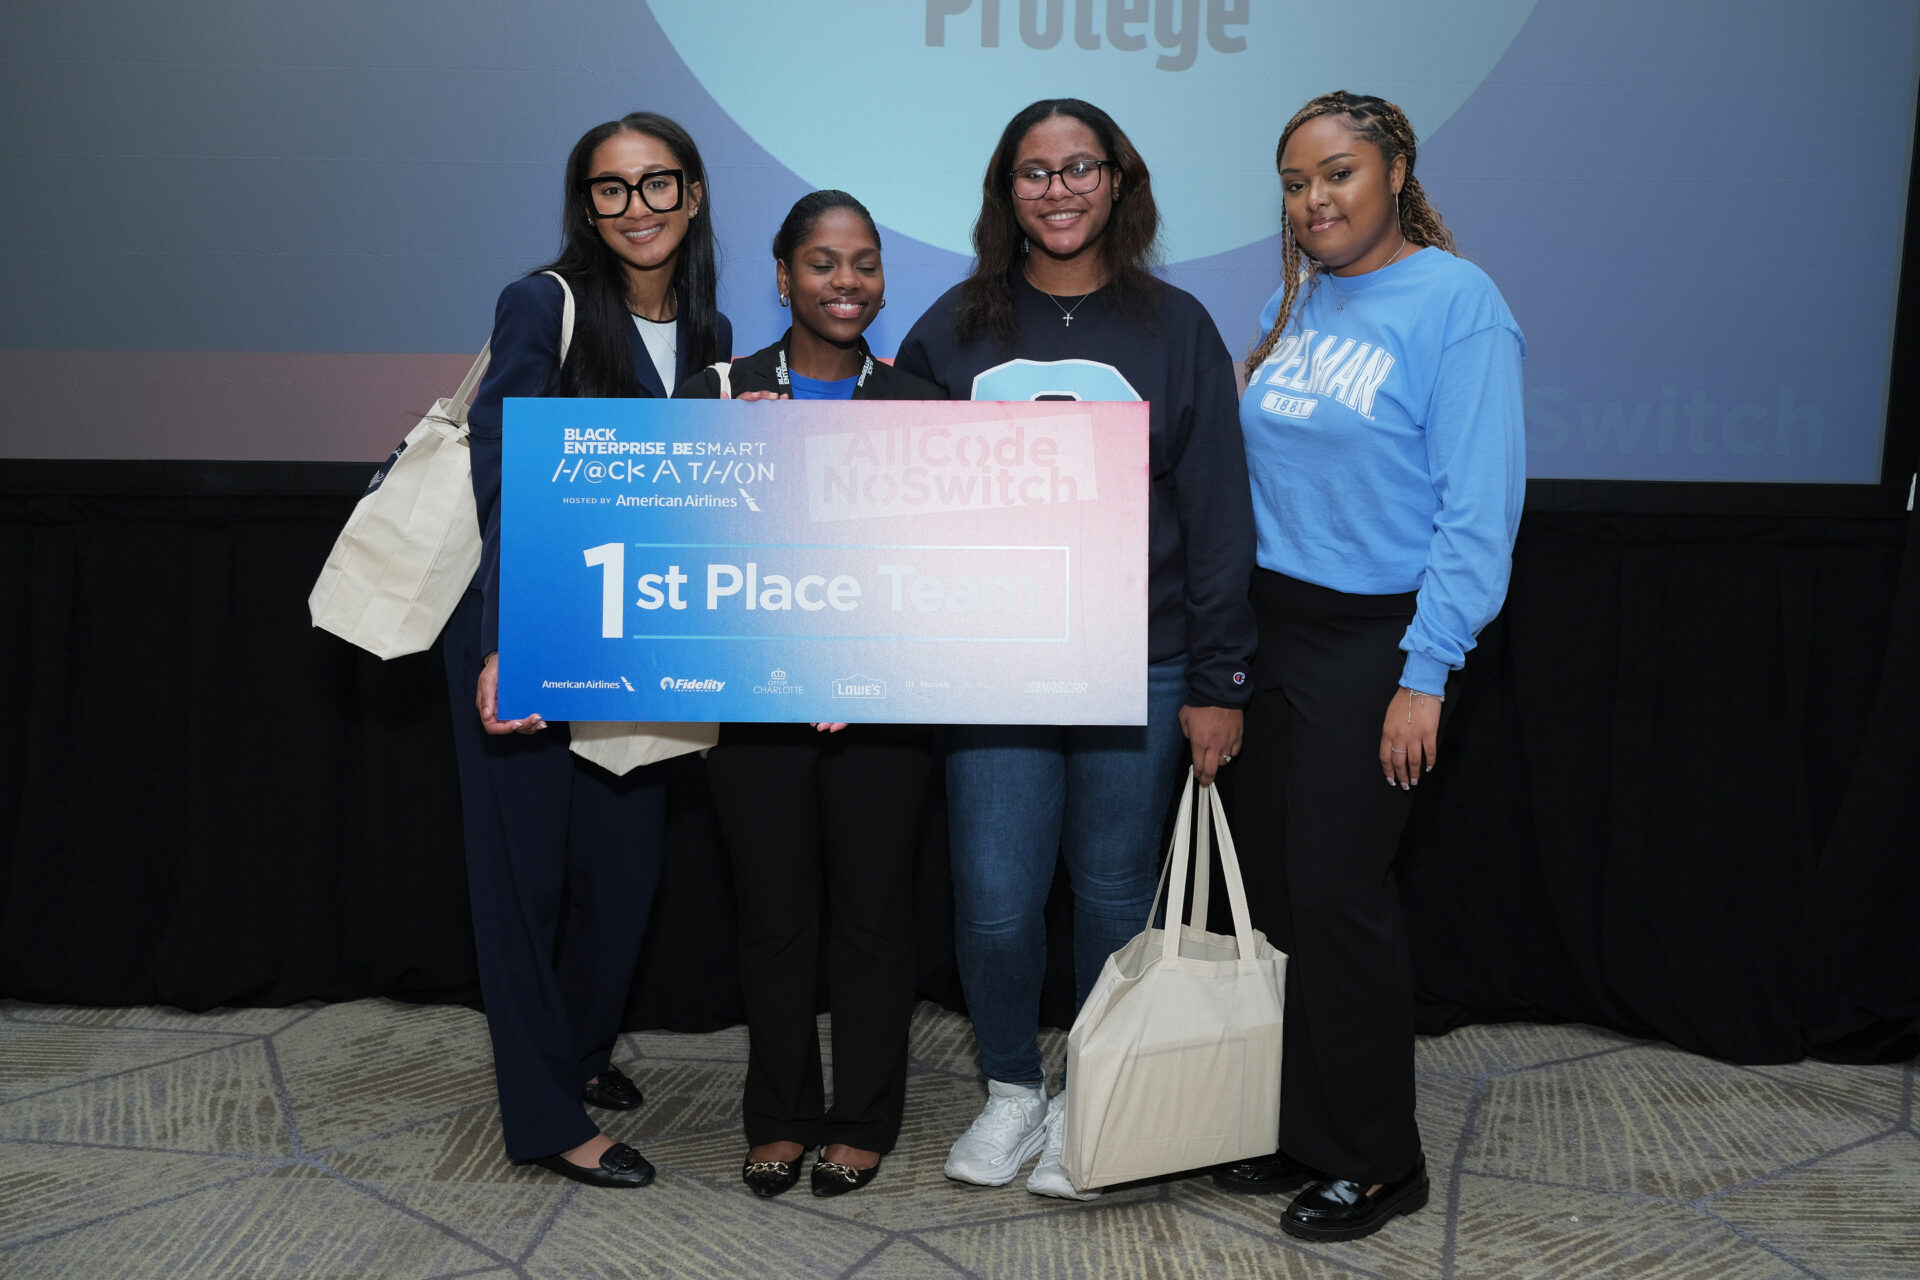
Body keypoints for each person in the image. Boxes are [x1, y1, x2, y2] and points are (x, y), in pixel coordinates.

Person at [894, 99, 1256, 1201]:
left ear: (1119, 181)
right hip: (993, 663)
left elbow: (1218, 514)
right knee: (996, 897)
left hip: (1141, 660)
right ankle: (1012, 1087)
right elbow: (888, 495)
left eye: (1080, 168)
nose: (1058, 191)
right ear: (1007, 193)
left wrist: (1219, 679)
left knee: (1110, 894)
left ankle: (1093, 1094)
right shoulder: (954, 327)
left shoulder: (1175, 326)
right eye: (1035, 172)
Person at [1212, 90, 1525, 1241]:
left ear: (1396, 169)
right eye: (1296, 183)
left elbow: (1478, 512)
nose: (1314, 200)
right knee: (1281, 894)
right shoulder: (1293, 298)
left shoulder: (1459, 303)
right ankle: (1304, 1126)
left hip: (1378, 639)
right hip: (1272, 629)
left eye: (1337, 173)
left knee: (1341, 897)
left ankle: (1380, 1158)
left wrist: (1425, 671)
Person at [445, 111, 731, 1189]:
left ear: (692, 194)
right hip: (522, 626)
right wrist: (507, 645)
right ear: (587, 205)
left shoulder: (711, 328)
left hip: (633, 634)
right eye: (611, 188)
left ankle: (576, 1050)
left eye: (657, 183)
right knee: (521, 888)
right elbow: (507, 470)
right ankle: (547, 1116)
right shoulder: (544, 303)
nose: (636, 207)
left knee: (624, 871)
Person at [677, 191, 941, 1199]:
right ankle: (780, 1114)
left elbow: (936, 569)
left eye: (865, 263)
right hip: (755, 705)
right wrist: (726, 455)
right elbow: (681, 547)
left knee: (874, 916)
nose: (847, 282)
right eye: (824, 263)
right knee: (772, 916)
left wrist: (863, 664)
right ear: (783, 277)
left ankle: (864, 1118)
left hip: (881, 708)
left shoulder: (920, 402)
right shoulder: (719, 391)